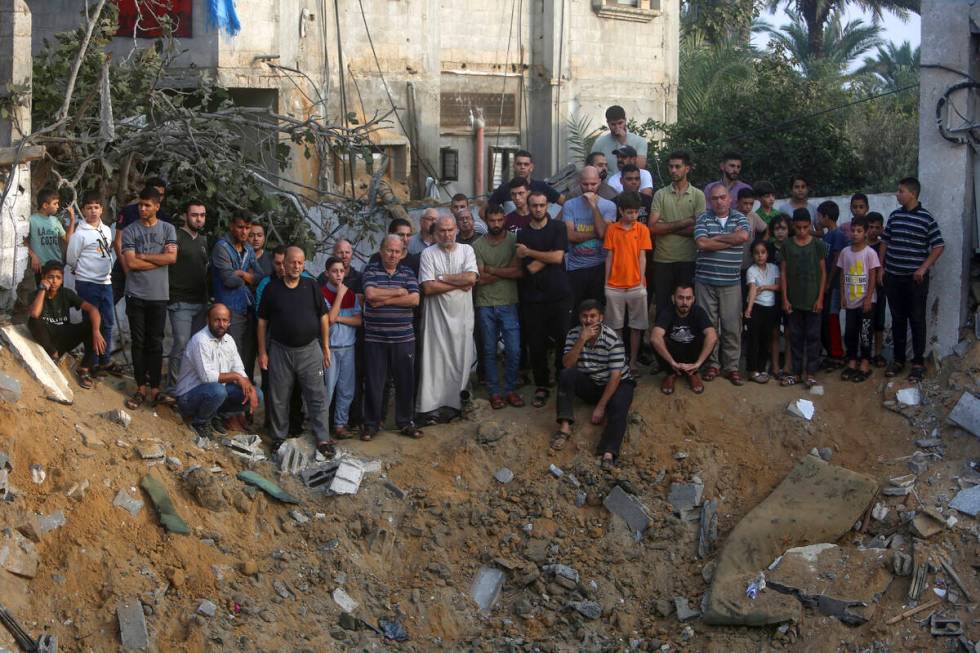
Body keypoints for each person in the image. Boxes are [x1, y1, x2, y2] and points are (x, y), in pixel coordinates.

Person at [257, 247, 333, 455]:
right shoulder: (271, 289)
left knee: (317, 396)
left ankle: (323, 439)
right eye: (293, 262)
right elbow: (262, 322)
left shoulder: (311, 286)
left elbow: (323, 317)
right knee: (278, 397)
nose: (296, 266)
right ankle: (278, 438)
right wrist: (262, 352)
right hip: (280, 351)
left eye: (300, 263)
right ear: (285, 263)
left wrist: (325, 346)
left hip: (310, 350)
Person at [553, 300, 635, 469]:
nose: (589, 320)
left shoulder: (613, 338)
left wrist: (601, 406)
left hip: (617, 384)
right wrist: (581, 341)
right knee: (566, 374)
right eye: (585, 316)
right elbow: (567, 364)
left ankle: (608, 452)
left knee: (619, 408)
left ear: (601, 318)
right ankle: (565, 427)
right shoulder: (574, 334)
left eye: (593, 316)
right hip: (592, 381)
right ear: (579, 318)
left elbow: (615, 377)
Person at [881, 177, 944, 382]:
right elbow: (885, 242)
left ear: (912, 194)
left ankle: (918, 363)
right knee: (898, 320)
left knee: (917, 320)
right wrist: (881, 268)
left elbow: (938, 245)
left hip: (915, 281)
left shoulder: (926, 218)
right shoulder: (894, 216)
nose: (897, 194)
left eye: (900, 191)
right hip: (893, 277)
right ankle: (898, 360)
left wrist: (923, 268)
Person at [417, 216, 479, 422]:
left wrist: (442, 277)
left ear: (456, 230)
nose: (447, 234)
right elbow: (428, 287)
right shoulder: (427, 253)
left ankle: (456, 406)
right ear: (435, 233)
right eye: (442, 231)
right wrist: (459, 283)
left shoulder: (467, 250)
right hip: (436, 318)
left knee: (460, 359)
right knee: (434, 361)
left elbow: (471, 278)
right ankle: (430, 409)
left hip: (462, 317)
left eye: (451, 229)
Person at [121, 186, 177, 409]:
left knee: (155, 342)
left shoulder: (168, 229)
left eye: (147, 205)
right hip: (136, 294)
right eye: (140, 205)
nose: (143, 209)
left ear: (157, 206)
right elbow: (131, 262)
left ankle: (155, 388)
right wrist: (157, 258)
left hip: (159, 295)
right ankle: (140, 388)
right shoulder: (130, 230)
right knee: (138, 342)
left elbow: (172, 258)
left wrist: (144, 255)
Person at [361, 235, 422, 440]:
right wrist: (398, 292)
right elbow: (370, 295)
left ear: (402, 253)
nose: (393, 255)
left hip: (403, 338)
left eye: (397, 251)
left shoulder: (408, 272)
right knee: (374, 383)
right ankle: (371, 424)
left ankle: (405, 422)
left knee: (405, 381)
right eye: (389, 250)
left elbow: (414, 299)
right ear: (381, 250)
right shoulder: (371, 270)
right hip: (375, 339)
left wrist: (384, 301)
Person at [517, 190, 572, 409]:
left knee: (562, 340)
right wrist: (548, 255)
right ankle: (542, 385)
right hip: (533, 297)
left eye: (541, 205)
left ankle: (562, 379)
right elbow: (529, 268)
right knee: (536, 343)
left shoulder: (558, 228)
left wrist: (533, 252)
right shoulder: (522, 234)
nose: (538, 209)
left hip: (559, 294)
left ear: (548, 206)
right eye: (534, 206)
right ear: (528, 207)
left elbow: (559, 257)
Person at [174, 303, 260, 440]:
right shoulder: (200, 340)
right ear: (208, 320)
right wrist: (237, 377)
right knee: (218, 390)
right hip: (188, 397)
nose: (221, 324)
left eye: (225, 320)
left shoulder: (229, 340)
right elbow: (207, 377)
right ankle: (200, 422)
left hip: (212, 393)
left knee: (256, 393)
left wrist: (249, 386)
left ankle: (214, 415)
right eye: (217, 320)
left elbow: (239, 368)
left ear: (229, 322)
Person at [694, 184, 750, 385]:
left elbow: (743, 237)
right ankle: (712, 365)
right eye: (715, 198)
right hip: (705, 282)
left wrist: (714, 239)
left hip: (730, 283)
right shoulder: (703, 218)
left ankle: (731, 367)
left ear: (730, 199)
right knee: (709, 326)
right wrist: (730, 240)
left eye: (722, 197)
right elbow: (702, 244)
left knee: (732, 327)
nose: (719, 201)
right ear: (710, 200)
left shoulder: (740, 218)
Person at [473, 204, 524, 409]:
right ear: (486, 221)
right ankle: (494, 392)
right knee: (488, 350)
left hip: (509, 302)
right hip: (485, 303)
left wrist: (492, 269)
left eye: (499, 220)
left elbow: (519, 272)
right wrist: (505, 270)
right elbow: (480, 279)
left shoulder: (515, 241)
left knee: (513, 349)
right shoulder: (477, 245)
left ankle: (510, 389)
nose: (496, 224)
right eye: (492, 221)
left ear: (504, 219)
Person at [28, 260, 105, 389]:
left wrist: (96, 331)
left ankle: (84, 369)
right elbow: (35, 314)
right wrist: (42, 289)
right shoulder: (35, 294)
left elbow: (93, 309)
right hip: (47, 340)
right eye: (50, 277)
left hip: (64, 337)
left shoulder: (66, 293)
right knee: (33, 321)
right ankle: (53, 355)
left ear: (62, 280)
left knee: (95, 323)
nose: (54, 281)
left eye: (58, 278)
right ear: (43, 278)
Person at [650, 151, 704, 319]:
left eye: (677, 166)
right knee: (662, 308)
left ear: (687, 168)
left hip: (688, 259)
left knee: (686, 308)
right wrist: (686, 221)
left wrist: (666, 226)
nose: (673, 170)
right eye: (670, 166)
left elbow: (699, 230)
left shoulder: (698, 195)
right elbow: (652, 228)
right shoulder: (660, 194)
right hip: (663, 260)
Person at [66, 190, 115, 377]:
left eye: (96, 207)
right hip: (87, 283)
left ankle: (104, 359)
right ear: (84, 211)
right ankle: (90, 361)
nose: (93, 211)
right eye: (89, 208)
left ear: (101, 209)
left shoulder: (107, 230)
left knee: (108, 322)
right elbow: (71, 259)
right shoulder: (80, 234)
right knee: (90, 324)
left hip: (106, 282)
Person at [603, 192, 653, 374]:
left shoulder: (642, 230)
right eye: (629, 212)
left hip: (636, 285)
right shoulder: (612, 230)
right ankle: (618, 361)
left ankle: (632, 362)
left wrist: (641, 282)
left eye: (636, 212)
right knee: (615, 326)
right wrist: (606, 283)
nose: (633, 216)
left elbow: (642, 257)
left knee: (637, 326)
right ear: (620, 211)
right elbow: (609, 256)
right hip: (614, 285)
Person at [164, 200, 210, 398]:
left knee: (196, 347)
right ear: (185, 215)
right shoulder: (176, 237)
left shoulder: (203, 241)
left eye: (202, 215)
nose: (198, 219)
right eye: (194, 215)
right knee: (181, 343)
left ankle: (189, 387)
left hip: (200, 302)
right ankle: (172, 389)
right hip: (179, 300)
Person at [779, 209, 827, 389]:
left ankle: (811, 373)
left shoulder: (817, 245)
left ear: (810, 226)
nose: (802, 231)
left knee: (813, 337)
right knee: (796, 337)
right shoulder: (787, 246)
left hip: (813, 300)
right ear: (793, 226)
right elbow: (783, 273)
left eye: (805, 227)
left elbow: (823, 273)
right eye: (798, 228)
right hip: (794, 301)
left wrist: (820, 298)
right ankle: (797, 373)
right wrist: (785, 298)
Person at [212, 215, 261, 381]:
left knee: (247, 355)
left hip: (247, 307)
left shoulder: (248, 249)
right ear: (232, 225)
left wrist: (240, 273)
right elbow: (228, 280)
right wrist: (248, 277)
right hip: (229, 309)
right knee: (232, 355)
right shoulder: (222, 247)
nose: (244, 231)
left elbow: (260, 277)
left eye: (247, 228)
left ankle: (244, 398)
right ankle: (231, 399)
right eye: (240, 227)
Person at [562, 166, 616, 309]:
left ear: (600, 181)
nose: (589, 188)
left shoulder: (609, 206)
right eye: (585, 184)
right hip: (575, 267)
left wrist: (593, 206)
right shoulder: (570, 205)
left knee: (597, 310)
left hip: (599, 266)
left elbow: (604, 235)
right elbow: (570, 235)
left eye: (593, 184)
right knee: (575, 311)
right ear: (579, 183)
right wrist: (597, 234)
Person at [650, 283, 717, 395]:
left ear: (693, 299)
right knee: (656, 341)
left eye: (688, 298)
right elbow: (655, 337)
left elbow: (712, 336)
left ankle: (693, 373)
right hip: (673, 355)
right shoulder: (667, 311)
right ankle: (670, 373)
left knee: (709, 338)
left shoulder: (698, 311)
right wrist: (672, 362)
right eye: (680, 298)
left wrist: (698, 364)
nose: (685, 302)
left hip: (692, 353)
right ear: (673, 298)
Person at [322, 257, 362, 439]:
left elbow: (358, 320)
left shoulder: (351, 295)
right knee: (327, 391)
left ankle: (340, 425)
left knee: (346, 390)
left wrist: (338, 318)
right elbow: (328, 319)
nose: (338, 274)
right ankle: (321, 428)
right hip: (330, 349)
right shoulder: (321, 293)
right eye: (334, 271)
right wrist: (339, 294)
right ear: (326, 274)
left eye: (341, 271)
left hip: (348, 348)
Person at [837, 216, 881, 383]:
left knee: (865, 333)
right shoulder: (845, 252)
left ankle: (865, 363)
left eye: (859, 231)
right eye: (853, 230)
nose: (855, 234)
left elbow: (872, 276)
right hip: (850, 301)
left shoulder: (870, 253)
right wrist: (842, 296)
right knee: (850, 332)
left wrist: (869, 299)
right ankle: (852, 361)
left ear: (865, 233)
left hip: (866, 302)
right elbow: (843, 275)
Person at [112, 178, 169, 304]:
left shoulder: (164, 218)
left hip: (150, 272)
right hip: (124, 265)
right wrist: (127, 271)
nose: (159, 197)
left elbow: (166, 253)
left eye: (161, 195)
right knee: (106, 304)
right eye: (156, 194)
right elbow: (118, 242)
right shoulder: (129, 211)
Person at [744, 241, 780, 383]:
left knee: (766, 339)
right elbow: (753, 289)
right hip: (756, 307)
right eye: (756, 253)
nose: (760, 255)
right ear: (752, 255)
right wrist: (749, 308)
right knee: (753, 339)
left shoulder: (774, 268)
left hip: (770, 308)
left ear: (767, 253)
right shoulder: (751, 270)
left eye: (763, 252)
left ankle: (761, 369)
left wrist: (764, 287)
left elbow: (779, 286)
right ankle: (752, 371)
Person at [485, 150, 563, 214]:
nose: (522, 167)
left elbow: (566, 204)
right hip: (512, 231)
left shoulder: (541, 187)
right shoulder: (504, 189)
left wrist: (555, 222)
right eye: (519, 164)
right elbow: (483, 211)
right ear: (514, 166)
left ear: (531, 167)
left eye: (526, 164)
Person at [817, 200, 847, 368]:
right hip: (827, 284)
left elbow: (837, 259)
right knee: (826, 319)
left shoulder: (838, 235)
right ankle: (831, 353)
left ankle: (837, 354)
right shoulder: (827, 235)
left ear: (826, 217)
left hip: (834, 285)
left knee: (832, 318)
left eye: (820, 216)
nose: (818, 219)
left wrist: (828, 281)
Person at [26, 188, 73, 283]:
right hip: (41, 266)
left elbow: (68, 240)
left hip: (57, 264)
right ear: (45, 205)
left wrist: (72, 220)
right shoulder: (32, 220)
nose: (58, 206)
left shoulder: (55, 220)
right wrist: (33, 256)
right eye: (55, 203)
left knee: (57, 295)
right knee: (43, 294)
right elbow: (23, 240)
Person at [768, 213, 793, 379]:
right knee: (774, 331)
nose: (780, 232)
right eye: (777, 228)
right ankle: (775, 366)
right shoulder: (768, 248)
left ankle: (788, 365)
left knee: (790, 332)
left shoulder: (793, 246)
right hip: (772, 295)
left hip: (791, 294)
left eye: (783, 228)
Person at [590, 105, 648, 175]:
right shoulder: (599, 142)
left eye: (620, 123)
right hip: (607, 183)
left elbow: (640, 169)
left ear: (625, 120)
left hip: (630, 183)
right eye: (613, 124)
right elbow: (591, 168)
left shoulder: (640, 141)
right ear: (607, 123)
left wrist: (623, 142)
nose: (617, 127)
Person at [735, 188, 771, 283]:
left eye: (751, 204)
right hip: (734, 264)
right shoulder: (730, 216)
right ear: (737, 202)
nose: (748, 207)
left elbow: (767, 228)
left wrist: (762, 244)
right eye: (745, 203)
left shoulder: (753, 216)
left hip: (750, 263)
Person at [866, 211, 888, 367]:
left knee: (879, 322)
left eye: (877, 227)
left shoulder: (883, 246)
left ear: (882, 229)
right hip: (862, 289)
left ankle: (878, 353)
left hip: (879, 288)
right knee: (864, 322)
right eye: (870, 227)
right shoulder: (859, 245)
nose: (873, 230)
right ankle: (864, 353)